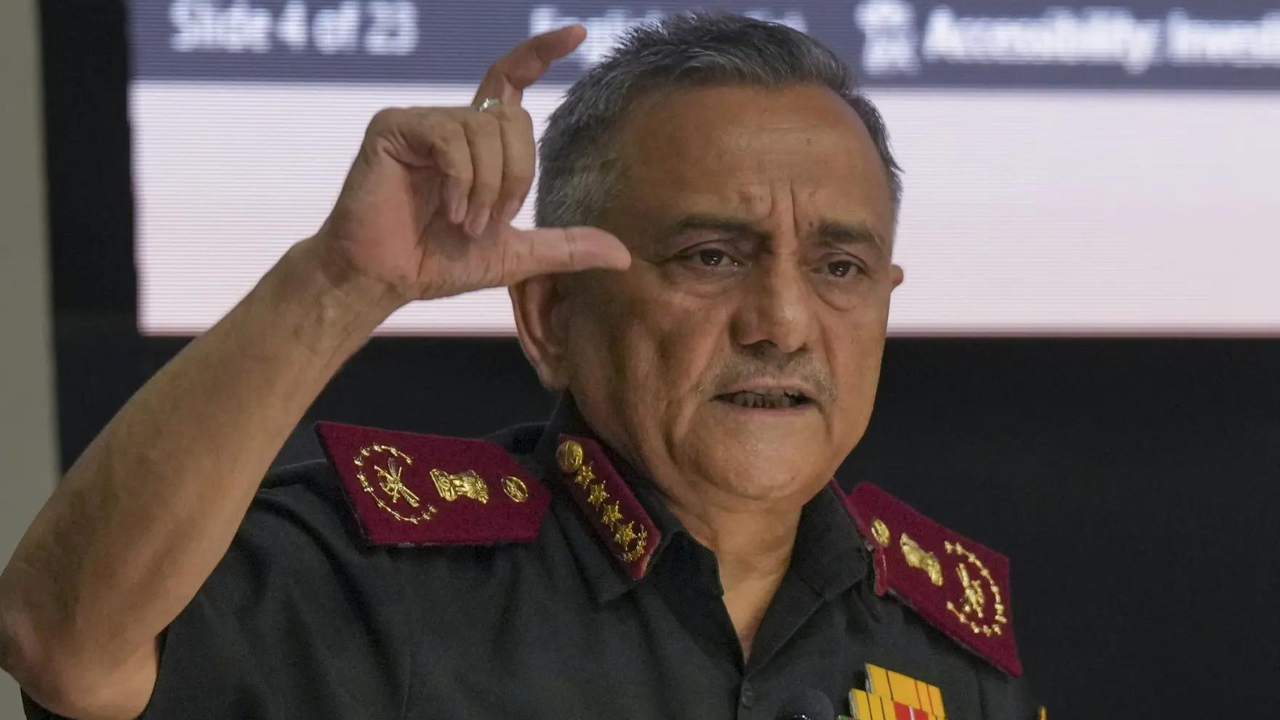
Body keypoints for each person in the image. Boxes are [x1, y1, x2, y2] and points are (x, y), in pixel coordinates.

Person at [1, 13, 1042, 720]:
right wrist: (337, 283)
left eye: (838, 267)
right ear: (550, 318)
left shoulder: (947, 641)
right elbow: (60, 643)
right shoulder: (390, 587)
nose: (781, 322)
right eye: (710, 257)